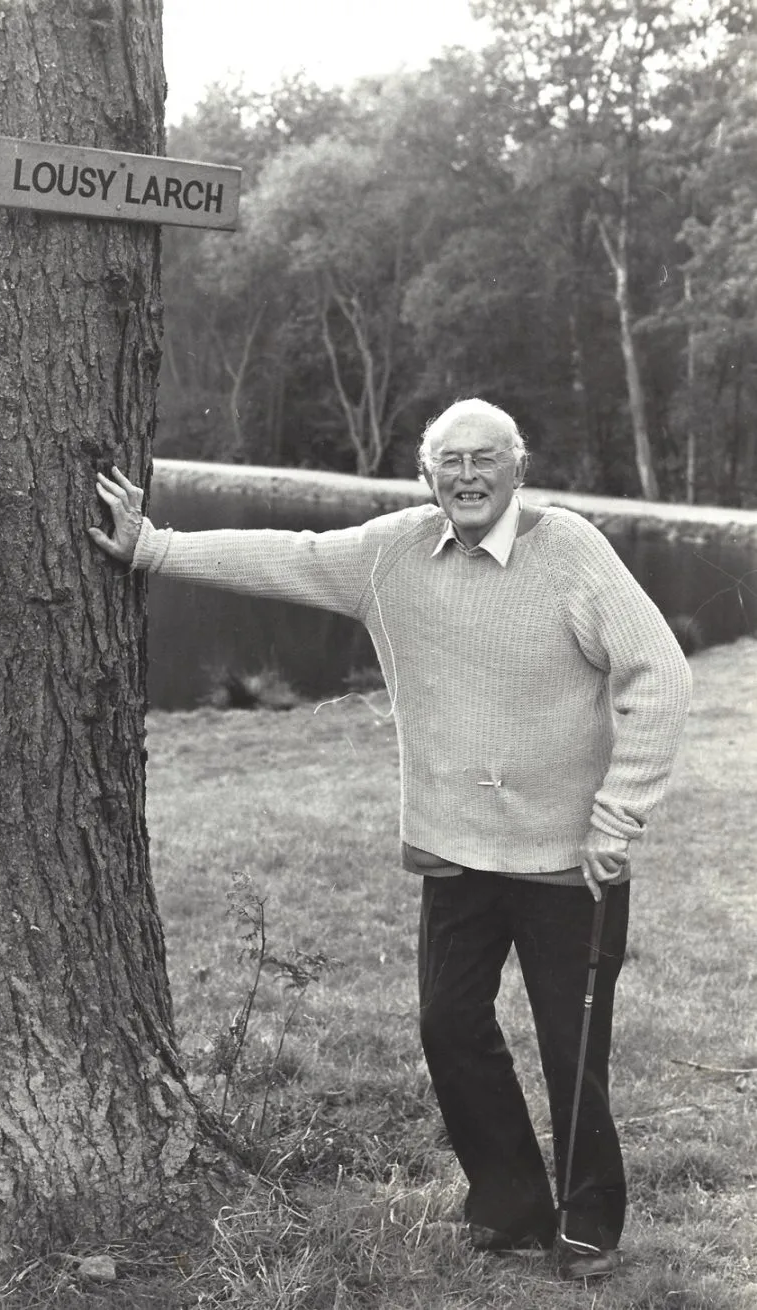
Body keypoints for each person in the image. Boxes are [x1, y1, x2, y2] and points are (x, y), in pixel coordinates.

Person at [89, 399, 692, 1281]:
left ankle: (590, 1222)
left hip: (570, 857)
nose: (468, 476)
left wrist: (618, 812)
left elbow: (660, 674)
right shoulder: (392, 553)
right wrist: (152, 547)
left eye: (486, 458)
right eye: (450, 461)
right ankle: (512, 1205)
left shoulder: (571, 551)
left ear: (519, 469)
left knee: (574, 1050)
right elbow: (287, 557)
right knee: (448, 1026)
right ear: (426, 475)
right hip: (456, 851)